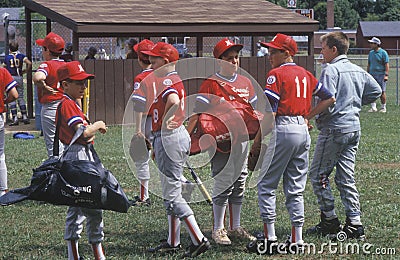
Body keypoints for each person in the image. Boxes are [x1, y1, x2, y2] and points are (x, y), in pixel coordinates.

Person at [246, 33, 335, 254]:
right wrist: (307, 116)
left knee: (266, 185)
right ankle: (297, 239)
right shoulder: (305, 73)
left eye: (273, 51)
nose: (269, 55)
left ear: (287, 53)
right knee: (295, 188)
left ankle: (269, 239)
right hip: (302, 130)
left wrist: (256, 144)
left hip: (283, 128)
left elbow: (270, 114)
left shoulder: (275, 74)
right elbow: (329, 97)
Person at [134, 42, 210, 257]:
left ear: (166, 62)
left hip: (170, 136)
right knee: (171, 189)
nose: (151, 63)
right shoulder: (165, 79)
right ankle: (173, 241)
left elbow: (174, 100)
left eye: (155, 59)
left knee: (171, 194)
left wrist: (166, 121)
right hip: (170, 137)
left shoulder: (167, 78)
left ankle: (198, 239)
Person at [306, 32, 382, 241]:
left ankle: (329, 220)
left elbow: (327, 99)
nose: (321, 53)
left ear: (333, 50)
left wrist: (309, 117)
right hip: (353, 128)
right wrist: (354, 103)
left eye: (323, 49)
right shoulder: (357, 70)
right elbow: (375, 91)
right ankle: (354, 223)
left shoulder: (331, 70)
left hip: (334, 128)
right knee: (345, 176)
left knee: (319, 175)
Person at [186, 38, 257, 246]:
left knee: (240, 181)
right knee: (223, 182)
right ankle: (218, 228)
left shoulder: (246, 83)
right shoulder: (211, 83)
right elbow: (197, 113)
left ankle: (235, 226)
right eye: (229, 58)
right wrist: (186, 140)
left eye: (236, 58)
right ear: (219, 61)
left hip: (241, 140)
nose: (234, 62)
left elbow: (254, 114)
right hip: (221, 142)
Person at [56, 61, 107, 260]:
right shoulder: (67, 103)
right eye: (78, 82)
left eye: (84, 82)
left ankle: (74, 255)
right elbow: (83, 133)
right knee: (91, 203)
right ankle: (97, 254)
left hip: (80, 156)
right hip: (78, 157)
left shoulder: (72, 103)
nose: (83, 86)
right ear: (65, 84)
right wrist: (98, 125)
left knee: (77, 206)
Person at [33, 32, 67, 158]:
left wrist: (45, 86)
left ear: (47, 50)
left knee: (54, 147)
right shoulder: (66, 65)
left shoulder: (46, 64)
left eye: (43, 48)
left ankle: (58, 174)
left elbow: (37, 78)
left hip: (51, 107)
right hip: (67, 106)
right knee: (67, 143)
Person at [130, 39, 155, 206]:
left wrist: (138, 129)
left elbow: (139, 105)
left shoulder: (141, 77)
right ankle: (184, 186)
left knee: (142, 158)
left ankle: (143, 196)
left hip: (147, 120)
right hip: (161, 120)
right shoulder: (161, 74)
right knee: (164, 157)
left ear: (139, 59)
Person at [2, 40, 32, 126]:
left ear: (10, 49)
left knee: (11, 97)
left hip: (11, 78)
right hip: (19, 77)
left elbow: (3, 67)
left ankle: (14, 117)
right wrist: (25, 71)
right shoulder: (22, 56)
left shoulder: (7, 57)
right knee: (21, 97)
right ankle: (25, 116)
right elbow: (29, 63)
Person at [0, 68, 19, 197]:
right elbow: (14, 95)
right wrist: (4, 102)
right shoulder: (2, 71)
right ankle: (2, 190)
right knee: (0, 154)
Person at [367, 37, 389, 113]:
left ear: (376, 44)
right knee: (372, 91)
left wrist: (386, 75)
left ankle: (383, 107)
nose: (370, 45)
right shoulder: (371, 53)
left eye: (372, 43)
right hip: (372, 74)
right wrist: (367, 73)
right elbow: (369, 64)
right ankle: (373, 107)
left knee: (382, 91)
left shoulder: (383, 53)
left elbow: (386, 64)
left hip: (381, 74)